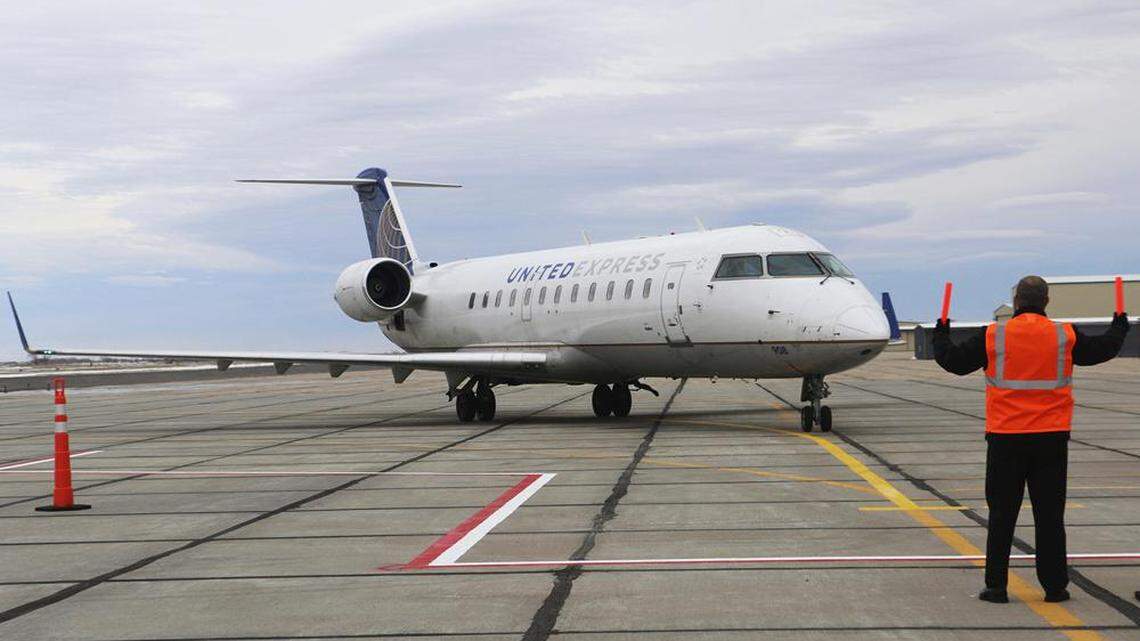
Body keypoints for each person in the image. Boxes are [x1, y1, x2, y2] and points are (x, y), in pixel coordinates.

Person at [932, 275, 1130, 604]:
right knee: (1050, 516)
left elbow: (952, 362)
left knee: (1001, 515)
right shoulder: (1063, 334)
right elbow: (1103, 349)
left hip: (1005, 437)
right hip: (1051, 439)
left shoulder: (994, 334)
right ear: (1046, 302)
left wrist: (941, 333)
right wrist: (1119, 325)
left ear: (1016, 303)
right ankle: (1055, 587)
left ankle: (996, 586)